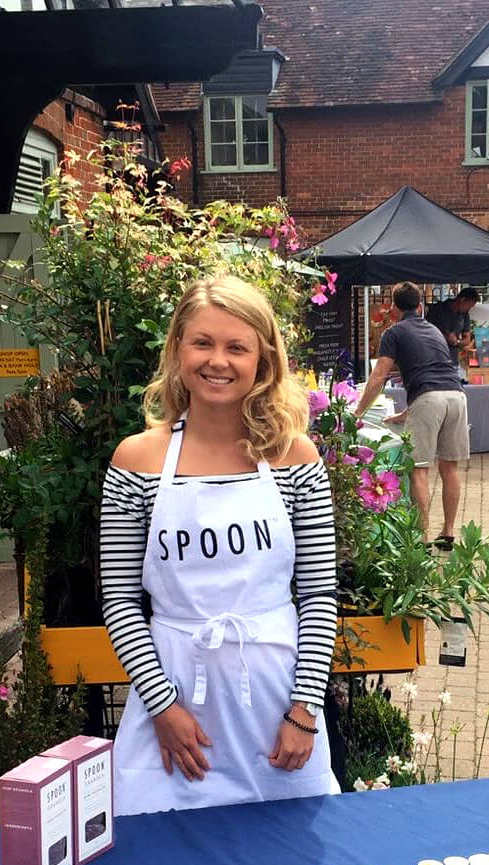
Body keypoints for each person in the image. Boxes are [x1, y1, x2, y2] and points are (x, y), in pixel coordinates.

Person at [100, 275, 339, 814]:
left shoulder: (294, 458)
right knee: (159, 864)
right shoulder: (136, 460)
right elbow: (118, 596)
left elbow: (321, 594)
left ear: (263, 359)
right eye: (203, 342)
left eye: (237, 347)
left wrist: (304, 713)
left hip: (276, 704)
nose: (218, 361)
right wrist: (163, 709)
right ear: (178, 348)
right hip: (174, 701)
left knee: (287, 861)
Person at [354, 281, 468, 550]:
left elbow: (379, 376)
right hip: (457, 396)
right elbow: (436, 372)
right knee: (450, 467)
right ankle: (448, 532)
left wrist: (358, 412)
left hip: (429, 398)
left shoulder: (393, 333)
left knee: (418, 470)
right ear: (419, 305)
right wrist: (408, 412)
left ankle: (422, 538)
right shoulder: (435, 331)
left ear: (393, 308)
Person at [426, 287, 479, 352]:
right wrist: (446, 337)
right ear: (462, 299)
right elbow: (426, 331)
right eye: (469, 305)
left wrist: (457, 342)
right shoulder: (438, 309)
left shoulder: (465, 315)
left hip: (453, 357)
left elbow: (467, 340)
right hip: (435, 353)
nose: (469, 309)